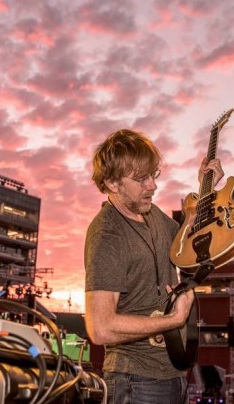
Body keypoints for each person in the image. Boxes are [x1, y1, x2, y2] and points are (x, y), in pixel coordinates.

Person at [84, 128, 223, 404]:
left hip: (172, 375)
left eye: (154, 175)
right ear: (112, 183)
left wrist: (205, 188)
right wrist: (172, 320)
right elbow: (100, 327)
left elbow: (187, 242)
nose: (153, 186)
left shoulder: (153, 214)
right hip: (135, 382)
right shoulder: (107, 234)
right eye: (141, 178)